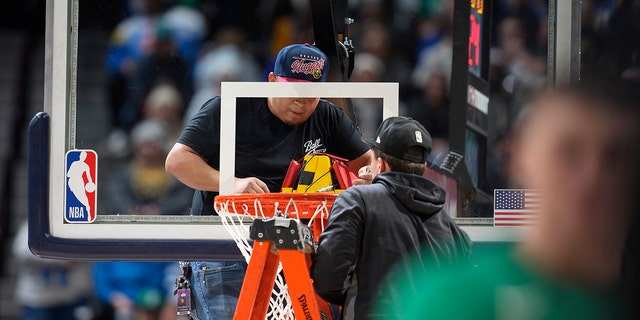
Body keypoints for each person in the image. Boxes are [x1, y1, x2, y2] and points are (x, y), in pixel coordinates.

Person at [378, 77, 640, 319]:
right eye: (569, 152)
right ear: (520, 158)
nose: (592, 176)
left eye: (616, 157)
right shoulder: (452, 301)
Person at [165, 43, 371, 320]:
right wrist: (231, 183)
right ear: (272, 81)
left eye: (311, 95)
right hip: (225, 250)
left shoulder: (327, 116)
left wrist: (367, 179)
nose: (301, 102)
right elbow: (177, 161)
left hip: (293, 253)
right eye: (293, 92)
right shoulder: (229, 107)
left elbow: (369, 163)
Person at [311, 116, 473, 320]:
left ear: (380, 164)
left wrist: (356, 294)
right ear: (422, 168)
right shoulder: (452, 228)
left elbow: (328, 279)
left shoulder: (357, 200)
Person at [13, 221, 94, 320]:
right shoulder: (33, 223)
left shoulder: (78, 222)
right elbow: (22, 252)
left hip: (73, 296)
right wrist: (61, 261)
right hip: (38, 299)